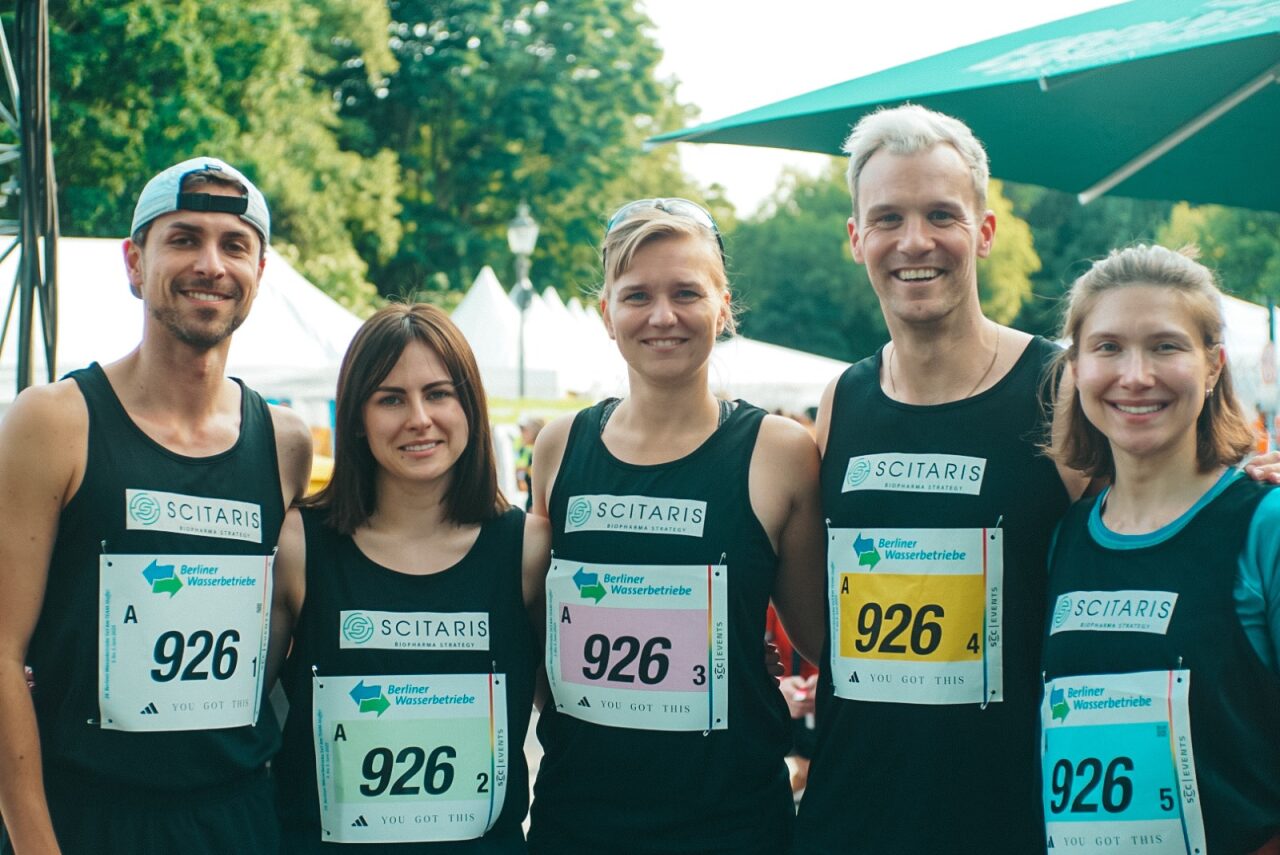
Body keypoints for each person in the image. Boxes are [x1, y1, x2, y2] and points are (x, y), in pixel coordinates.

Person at [0, 157, 312, 854]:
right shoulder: (53, 422)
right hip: (86, 816)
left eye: (235, 245)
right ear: (135, 263)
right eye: (184, 239)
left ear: (261, 271)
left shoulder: (285, 442)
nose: (211, 264)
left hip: (236, 816)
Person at [525, 199, 826, 853]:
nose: (662, 316)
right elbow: (540, 639)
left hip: (731, 824)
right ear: (606, 314)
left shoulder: (780, 453)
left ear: (722, 307)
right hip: (578, 820)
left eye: (686, 293)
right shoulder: (558, 446)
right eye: (637, 295)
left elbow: (826, 642)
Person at [269, 303, 550, 852]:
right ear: (356, 417)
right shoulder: (299, 545)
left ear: (470, 407)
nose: (419, 418)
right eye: (391, 399)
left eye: (438, 393)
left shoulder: (528, 550)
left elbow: (571, 713)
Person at [1040, 245, 1280, 854]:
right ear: (1076, 367)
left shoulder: (1265, 526)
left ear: (1213, 366)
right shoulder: (1065, 536)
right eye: (1108, 347)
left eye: (1166, 346)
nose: (1136, 376)